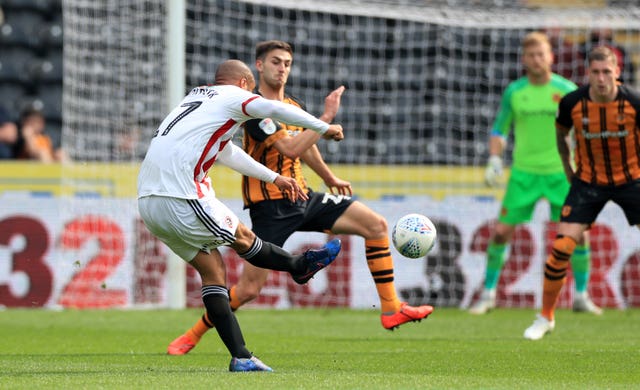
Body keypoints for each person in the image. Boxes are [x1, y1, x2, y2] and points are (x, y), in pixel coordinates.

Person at [166, 40, 434, 356]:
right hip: (271, 206)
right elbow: (291, 148)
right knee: (250, 289)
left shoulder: (293, 106)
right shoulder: (251, 110)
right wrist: (325, 118)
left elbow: (305, 146)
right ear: (260, 66)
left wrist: (329, 177)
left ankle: (391, 308)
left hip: (304, 196)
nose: (282, 68)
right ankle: (194, 333)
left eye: (287, 63)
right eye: (276, 62)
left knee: (375, 225)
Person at [138, 59, 345, 371]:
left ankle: (242, 357)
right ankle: (298, 266)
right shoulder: (232, 96)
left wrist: (274, 178)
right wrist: (323, 125)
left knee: (213, 271)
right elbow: (275, 109)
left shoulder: (195, 98)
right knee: (244, 238)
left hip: (149, 201)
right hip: (179, 193)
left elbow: (227, 152)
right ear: (245, 84)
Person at [471, 32, 601, 315]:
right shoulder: (515, 92)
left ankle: (581, 296)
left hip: (561, 173)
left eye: (541, 54)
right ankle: (489, 293)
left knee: (578, 234)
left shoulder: (566, 89)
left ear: (551, 57)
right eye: (531, 55)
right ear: (524, 59)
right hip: (524, 174)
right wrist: (494, 158)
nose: (536, 59)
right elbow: (499, 129)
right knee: (502, 232)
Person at [523, 46, 640, 340]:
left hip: (632, 180)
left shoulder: (635, 102)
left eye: (606, 72)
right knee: (561, 247)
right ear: (588, 74)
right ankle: (546, 318)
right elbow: (561, 134)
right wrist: (567, 168)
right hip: (588, 182)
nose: (601, 78)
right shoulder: (572, 102)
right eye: (595, 72)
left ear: (617, 72)